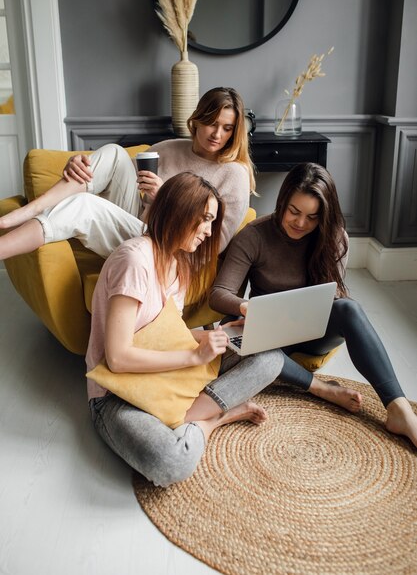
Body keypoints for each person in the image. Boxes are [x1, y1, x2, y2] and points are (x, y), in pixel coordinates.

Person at [87, 172, 284, 487]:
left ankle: (187, 413)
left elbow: (164, 334)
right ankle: (214, 418)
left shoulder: (179, 265)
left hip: (166, 373)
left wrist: (212, 336)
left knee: (271, 356)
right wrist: (195, 359)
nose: (208, 231)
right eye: (204, 219)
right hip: (118, 393)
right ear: (178, 211)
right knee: (171, 462)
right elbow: (118, 359)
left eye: (211, 221)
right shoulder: (134, 260)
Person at [209, 162, 417, 448]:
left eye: (312, 217)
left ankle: (399, 409)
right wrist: (246, 307)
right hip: (265, 337)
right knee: (233, 328)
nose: (301, 223)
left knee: (349, 308)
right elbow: (220, 293)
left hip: (312, 334)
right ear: (282, 201)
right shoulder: (254, 236)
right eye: (294, 211)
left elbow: (333, 299)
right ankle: (320, 389)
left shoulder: (334, 238)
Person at [0, 87, 254, 260]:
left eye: (227, 128)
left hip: (173, 247)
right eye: (211, 123)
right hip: (137, 224)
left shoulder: (235, 174)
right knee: (113, 152)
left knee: (84, 206)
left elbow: (214, 247)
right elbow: (109, 174)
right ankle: (33, 209)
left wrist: (165, 197)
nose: (217, 134)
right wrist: (77, 164)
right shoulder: (168, 149)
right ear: (197, 120)